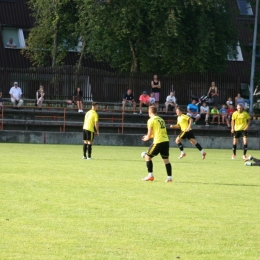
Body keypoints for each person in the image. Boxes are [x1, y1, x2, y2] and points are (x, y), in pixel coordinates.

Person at [141, 106, 172, 182]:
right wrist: (150, 136)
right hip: (165, 141)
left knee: (147, 157)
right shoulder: (161, 119)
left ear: (150, 112)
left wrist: (146, 137)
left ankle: (150, 175)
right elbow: (158, 132)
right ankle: (169, 178)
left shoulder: (151, 120)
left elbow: (149, 135)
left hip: (158, 141)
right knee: (166, 160)